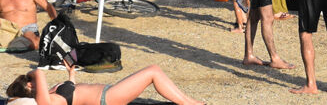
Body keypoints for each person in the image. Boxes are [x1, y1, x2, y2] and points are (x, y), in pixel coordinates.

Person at [7, 64, 204, 105]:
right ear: (31, 88)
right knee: (153, 71)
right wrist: (31, 73)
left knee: (153, 72)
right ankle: (189, 104)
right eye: (30, 82)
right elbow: (39, 72)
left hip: (109, 93)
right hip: (107, 99)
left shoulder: (51, 94)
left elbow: (71, 89)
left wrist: (71, 74)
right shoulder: (46, 102)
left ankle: (191, 103)